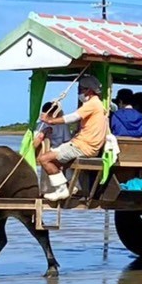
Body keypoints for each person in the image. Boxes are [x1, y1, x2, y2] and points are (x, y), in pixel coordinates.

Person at [37, 74, 107, 202]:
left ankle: (61, 189)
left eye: (81, 90)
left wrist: (50, 120)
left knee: (44, 159)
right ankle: (66, 187)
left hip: (83, 146)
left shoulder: (93, 103)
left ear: (88, 90)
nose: (79, 93)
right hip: (84, 145)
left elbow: (73, 117)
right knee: (57, 161)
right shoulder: (99, 105)